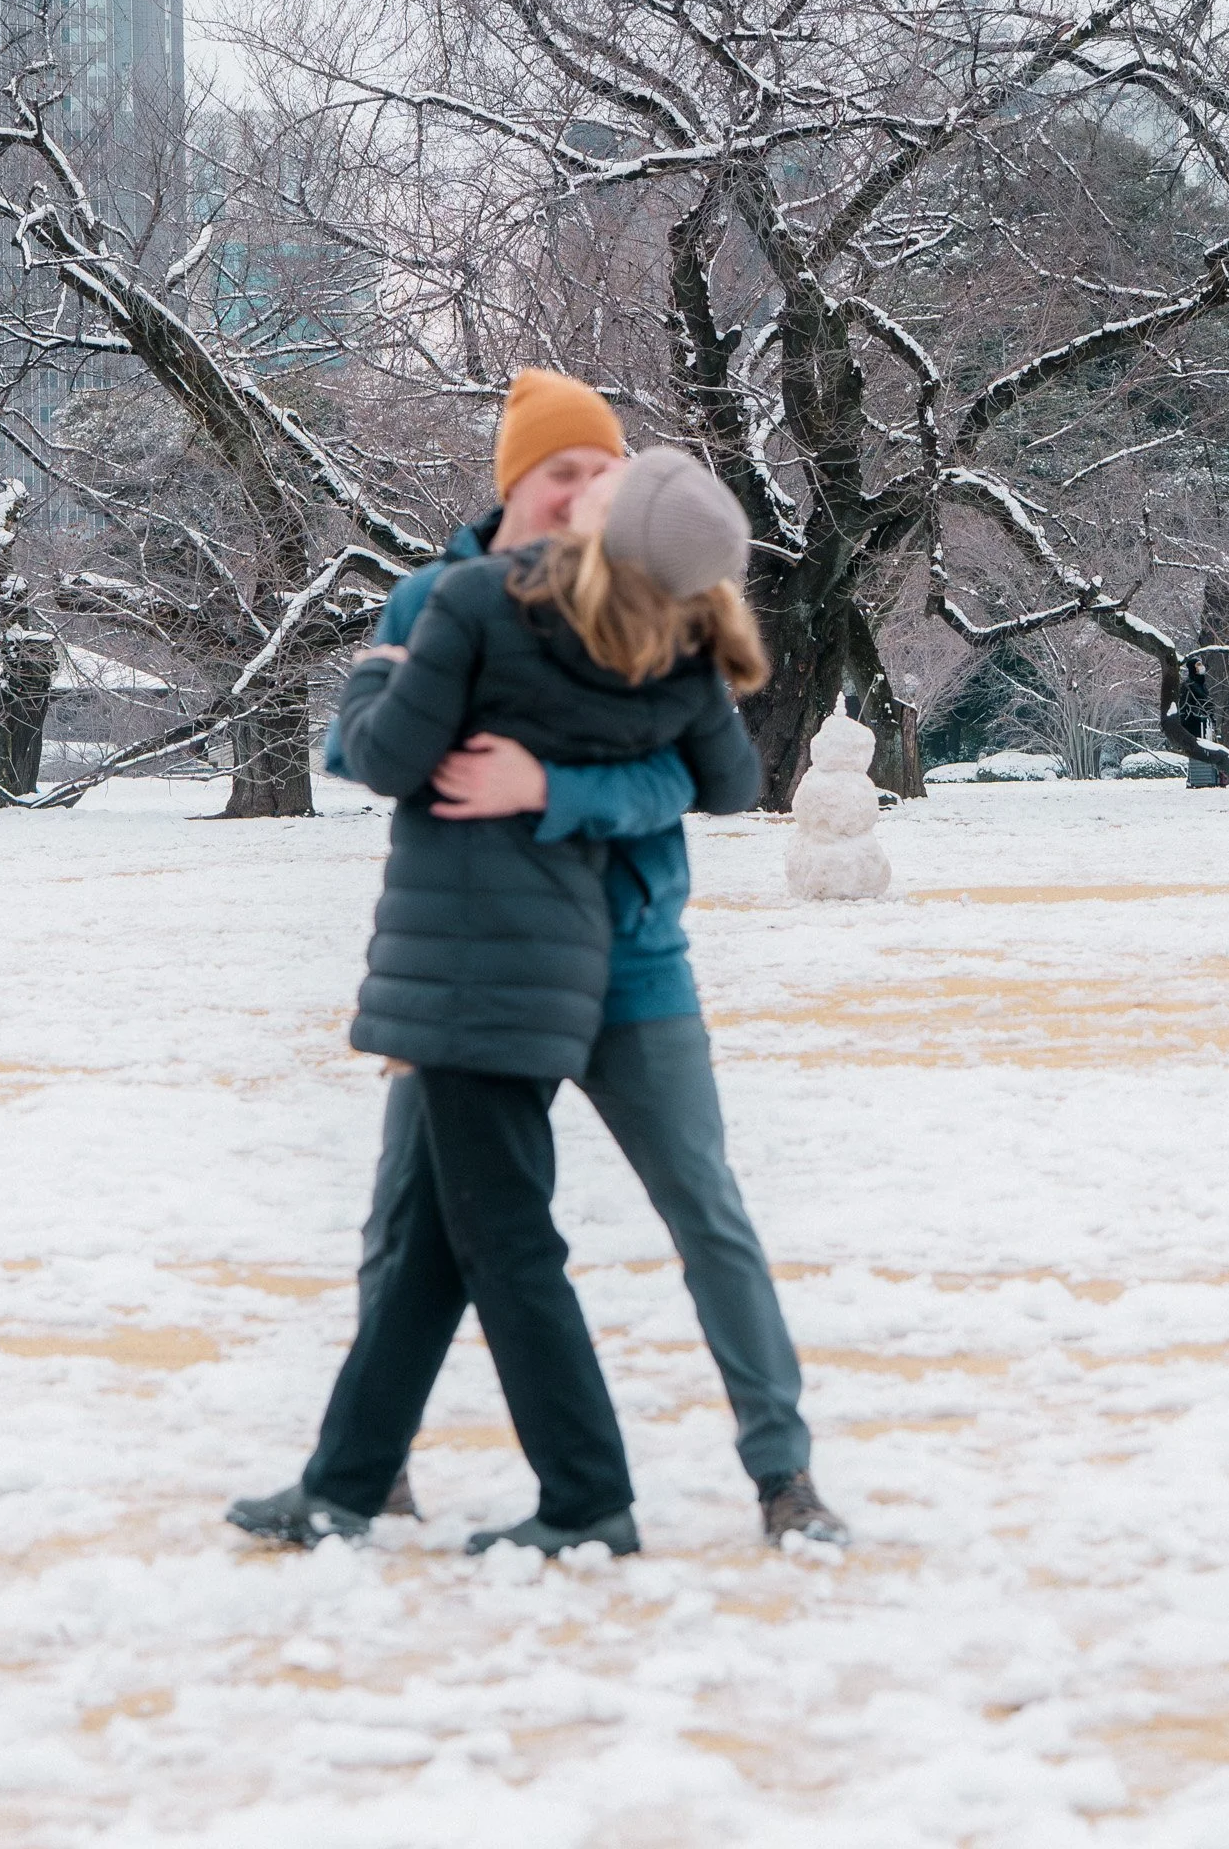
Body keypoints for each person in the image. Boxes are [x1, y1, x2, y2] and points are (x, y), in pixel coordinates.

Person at [232, 375, 843, 1555]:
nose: (578, 489)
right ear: (517, 480)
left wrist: (550, 785)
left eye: (599, 469)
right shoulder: (438, 594)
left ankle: (784, 1473)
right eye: (559, 469)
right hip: (481, 959)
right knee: (409, 1218)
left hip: (632, 960)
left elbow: (699, 776)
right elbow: (351, 749)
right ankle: (372, 1470)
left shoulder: (654, 594)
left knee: (702, 1208)